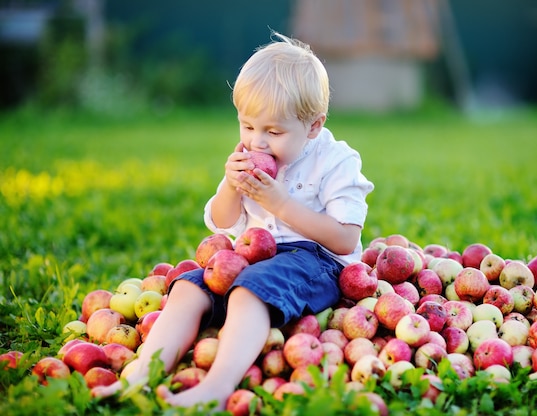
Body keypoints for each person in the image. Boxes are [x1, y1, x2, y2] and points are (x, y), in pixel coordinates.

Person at [91, 31, 374, 411]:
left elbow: (344, 240)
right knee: (190, 287)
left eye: (273, 132)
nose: (257, 142)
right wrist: (230, 184)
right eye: (247, 126)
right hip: (254, 258)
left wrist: (280, 203)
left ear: (313, 126)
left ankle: (217, 384)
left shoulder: (337, 161)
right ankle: (141, 372)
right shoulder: (251, 155)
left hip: (315, 262)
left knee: (248, 289)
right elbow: (223, 224)